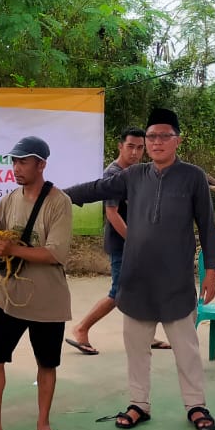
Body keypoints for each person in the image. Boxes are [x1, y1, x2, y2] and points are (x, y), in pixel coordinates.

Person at [65, 108, 215, 430]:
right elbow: (97, 188)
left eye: (164, 136)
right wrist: (57, 194)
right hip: (136, 278)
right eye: (151, 137)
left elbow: (207, 224)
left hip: (176, 279)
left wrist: (211, 270)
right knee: (136, 347)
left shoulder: (193, 176)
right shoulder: (133, 176)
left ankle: (196, 405)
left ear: (177, 140)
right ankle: (139, 403)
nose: (156, 142)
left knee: (186, 349)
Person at [0, 136, 73, 430]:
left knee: (47, 364)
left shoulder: (58, 202)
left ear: (41, 164)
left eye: (24, 161)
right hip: (9, 299)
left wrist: (14, 248)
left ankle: (44, 425)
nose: (17, 167)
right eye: (14, 161)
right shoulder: (9, 200)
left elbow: (56, 253)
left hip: (48, 301)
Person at [66, 128, 169, 356]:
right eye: (130, 146)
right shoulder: (113, 174)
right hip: (122, 244)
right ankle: (81, 328)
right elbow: (112, 213)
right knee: (118, 292)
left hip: (140, 243)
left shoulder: (140, 172)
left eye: (140, 148)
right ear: (120, 146)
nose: (135, 152)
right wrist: (135, 242)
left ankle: (147, 335)